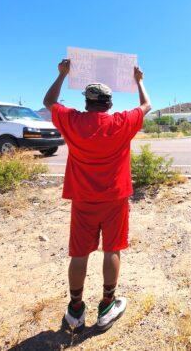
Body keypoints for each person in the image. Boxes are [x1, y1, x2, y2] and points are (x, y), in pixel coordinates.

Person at [43, 59, 151, 332]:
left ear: (87, 103)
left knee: (79, 254)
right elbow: (146, 106)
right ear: (109, 103)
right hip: (115, 198)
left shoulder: (72, 120)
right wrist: (139, 80)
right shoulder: (120, 122)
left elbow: (48, 102)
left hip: (83, 199)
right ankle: (107, 304)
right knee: (112, 249)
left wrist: (62, 75)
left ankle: (76, 309)